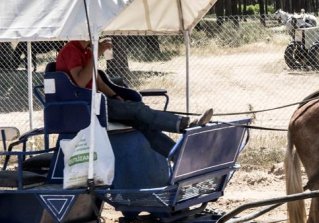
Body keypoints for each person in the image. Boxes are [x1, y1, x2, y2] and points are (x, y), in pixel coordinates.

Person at [55, 40, 212, 157]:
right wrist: (96, 55)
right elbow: (81, 82)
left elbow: (98, 82)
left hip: (97, 103)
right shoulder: (71, 50)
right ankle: (185, 124)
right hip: (83, 107)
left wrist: (116, 96)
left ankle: (179, 156)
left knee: (143, 123)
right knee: (136, 110)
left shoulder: (86, 51)